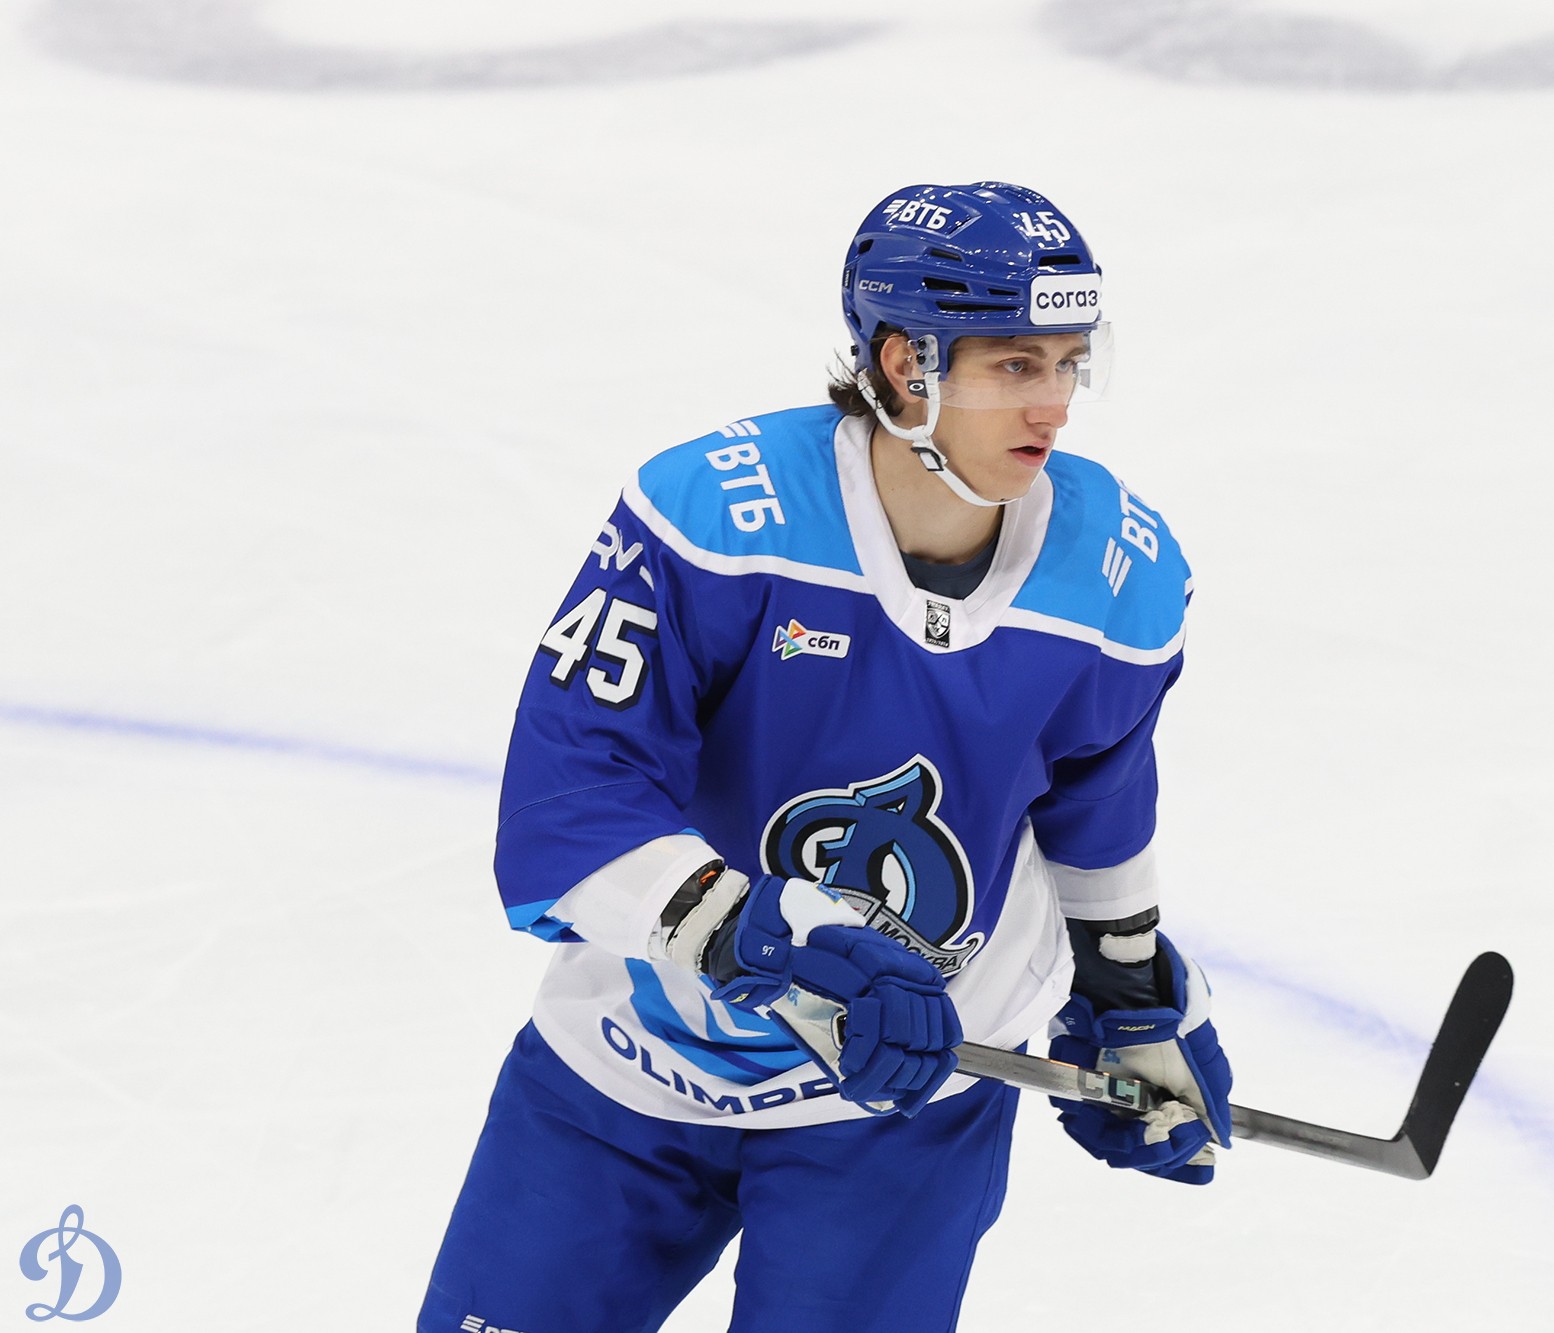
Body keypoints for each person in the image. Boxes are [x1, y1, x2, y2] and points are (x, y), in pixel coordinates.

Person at [418, 181, 1233, 1333]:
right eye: (1014, 365)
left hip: (904, 1097)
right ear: (905, 364)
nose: (1053, 404)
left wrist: (1127, 990)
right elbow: (572, 804)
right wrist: (767, 931)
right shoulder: (713, 517)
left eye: (1067, 363)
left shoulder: (1120, 571)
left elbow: (1096, 801)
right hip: (626, 1063)